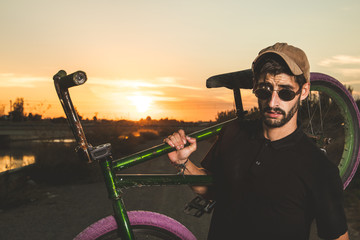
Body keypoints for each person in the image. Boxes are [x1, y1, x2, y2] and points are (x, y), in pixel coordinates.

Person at [163, 43, 349, 240]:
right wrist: (182, 163)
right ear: (255, 87)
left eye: (285, 92)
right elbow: (214, 190)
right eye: (264, 90)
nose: (272, 102)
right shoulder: (232, 133)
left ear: (303, 91)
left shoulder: (319, 168)